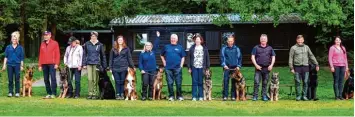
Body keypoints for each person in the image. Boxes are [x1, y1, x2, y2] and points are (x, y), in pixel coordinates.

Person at [289, 35, 319, 101]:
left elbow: (311, 56)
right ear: (297, 40)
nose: (300, 41)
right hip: (297, 67)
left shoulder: (306, 47)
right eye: (298, 40)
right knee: (298, 82)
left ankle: (304, 96)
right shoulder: (293, 48)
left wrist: (316, 64)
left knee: (305, 82)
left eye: (301, 40)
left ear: (303, 40)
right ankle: (298, 96)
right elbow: (290, 58)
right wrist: (291, 68)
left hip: (305, 67)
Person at [160, 34, 186, 101]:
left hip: (178, 68)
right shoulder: (166, 47)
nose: (173, 39)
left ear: (177, 39)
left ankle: (179, 96)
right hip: (168, 68)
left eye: (174, 38)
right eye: (172, 38)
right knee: (169, 83)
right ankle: (171, 96)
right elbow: (161, 55)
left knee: (178, 83)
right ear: (170, 39)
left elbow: (183, 57)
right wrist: (164, 62)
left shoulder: (180, 47)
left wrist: (181, 65)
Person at [82, 31, 107, 100]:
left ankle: (95, 94)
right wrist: (84, 64)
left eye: (94, 36)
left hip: (97, 64)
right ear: (91, 37)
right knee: (90, 79)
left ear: (96, 37)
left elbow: (103, 56)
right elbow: (84, 54)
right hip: (89, 64)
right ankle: (90, 93)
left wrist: (104, 66)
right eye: (92, 36)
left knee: (95, 79)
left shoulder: (100, 45)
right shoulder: (87, 44)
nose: (93, 37)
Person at [251, 34, 276, 101]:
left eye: (264, 39)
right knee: (256, 82)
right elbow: (252, 57)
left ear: (267, 40)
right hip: (258, 68)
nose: (263, 41)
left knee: (265, 83)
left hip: (267, 68)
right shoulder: (256, 48)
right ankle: (255, 96)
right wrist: (256, 65)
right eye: (262, 39)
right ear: (260, 40)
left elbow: (273, 57)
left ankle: (264, 96)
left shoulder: (270, 48)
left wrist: (271, 65)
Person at [109, 35, 135, 100]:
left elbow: (129, 58)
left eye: (121, 40)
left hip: (124, 67)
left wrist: (133, 66)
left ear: (123, 41)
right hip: (115, 68)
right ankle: (118, 94)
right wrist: (110, 68)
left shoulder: (126, 49)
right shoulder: (113, 49)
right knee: (117, 82)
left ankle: (122, 94)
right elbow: (111, 59)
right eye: (119, 40)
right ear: (117, 41)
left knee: (122, 81)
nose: (120, 41)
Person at [187, 34, 210, 101]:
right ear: (195, 41)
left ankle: (200, 96)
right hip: (194, 67)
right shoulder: (192, 48)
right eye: (196, 40)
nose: (197, 41)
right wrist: (189, 67)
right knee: (194, 82)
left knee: (200, 82)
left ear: (201, 40)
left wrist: (207, 68)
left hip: (202, 68)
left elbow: (207, 58)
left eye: (198, 40)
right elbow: (188, 58)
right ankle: (194, 96)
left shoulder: (204, 48)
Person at [1, 31, 24, 97]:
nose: (14, 40)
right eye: (13, 39)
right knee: (10, 79)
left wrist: (22, 66)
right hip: (9, 65)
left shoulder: (20, 48)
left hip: (17, 65)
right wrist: (4, 65)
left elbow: (21, 58)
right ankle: (10, 92)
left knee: (17, 79)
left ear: (17, 40)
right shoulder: (8, 47)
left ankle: (17, 92)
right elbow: (6, 57)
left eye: (15, 39)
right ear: (11, 39)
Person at [38, 31, 60, 99]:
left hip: (52, 64)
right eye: (44, 35)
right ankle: (49, 93)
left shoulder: (55, 43)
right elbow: (40, 55)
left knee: (53, 78)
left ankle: (53, 93)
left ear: (50, 35)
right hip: (44, 64)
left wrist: (57, 63)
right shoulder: (42, 44)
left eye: (47, 35)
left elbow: (57, 54)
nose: (45, 36)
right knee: (45, 79)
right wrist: (40, 65)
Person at [220, 34, 242, 101]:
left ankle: (233, 96)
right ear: (227, 41)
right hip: (227, 68)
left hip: (234, 68)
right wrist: (224, 65)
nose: (230, 42)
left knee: (234, 82)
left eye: (231, 41)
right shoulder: (224, 48)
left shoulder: (237, 49)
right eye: (229, 41)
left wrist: (238, 66)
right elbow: (222, 58)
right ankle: (225, 96)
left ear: (233, 41)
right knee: (225, 82)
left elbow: (239, 58)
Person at [328, 36, 348, 100]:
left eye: (339, 40)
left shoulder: (343, 48)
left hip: (343, 66)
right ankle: (336, 96)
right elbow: (330, 58)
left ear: (340, 41)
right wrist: (331, 66)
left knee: (341, 81)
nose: (337, 41)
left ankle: (340, 95)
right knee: (336, 81)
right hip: (335, 66)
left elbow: (345, 58)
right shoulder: (332, 48)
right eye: (336, 40)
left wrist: (346, 67)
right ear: (335, 41)